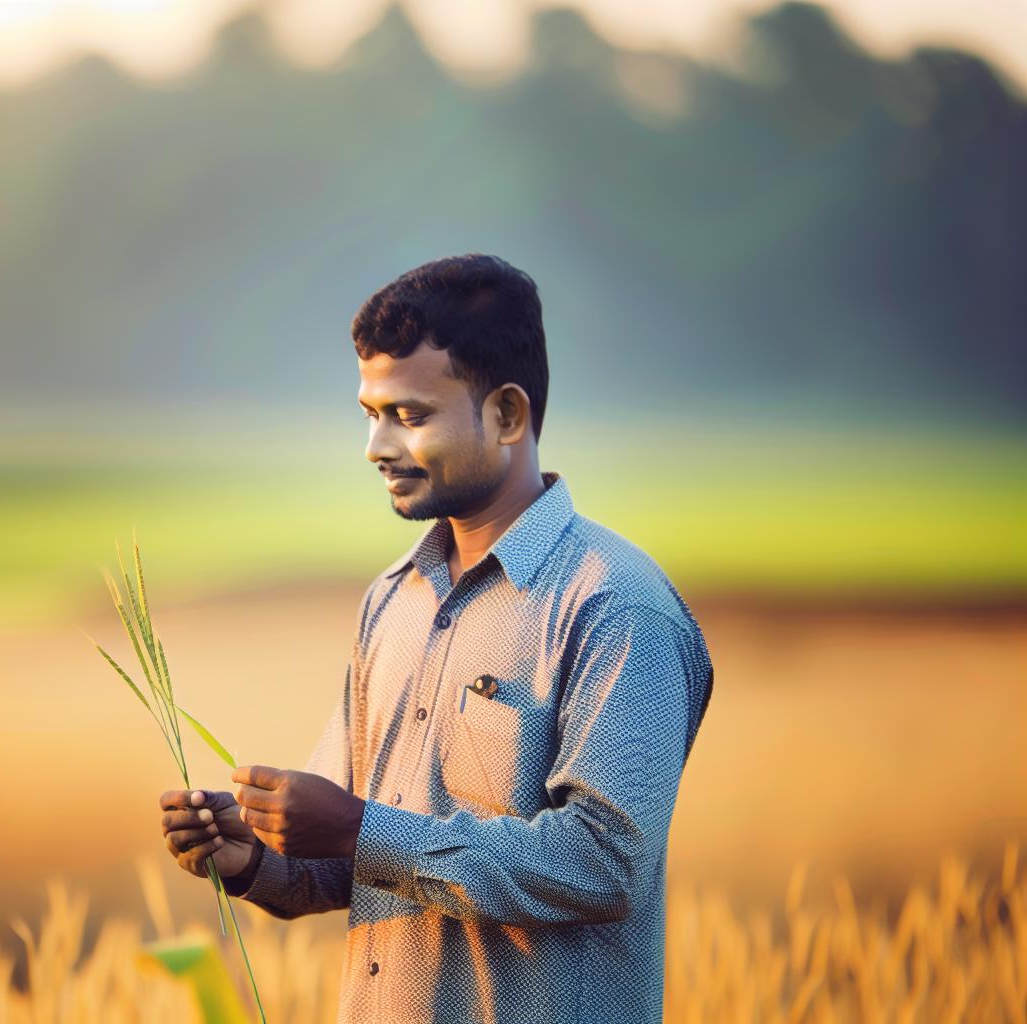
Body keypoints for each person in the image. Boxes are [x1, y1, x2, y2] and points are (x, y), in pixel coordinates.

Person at [158, 254, 713, 1023]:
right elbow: (345, 860)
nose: (376, 446)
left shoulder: (615, 604)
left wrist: (357, 827)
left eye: (410, 416)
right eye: (370, 414)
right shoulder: (393, 600)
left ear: (508, 415)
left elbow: (604, 864)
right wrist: (251, 859)